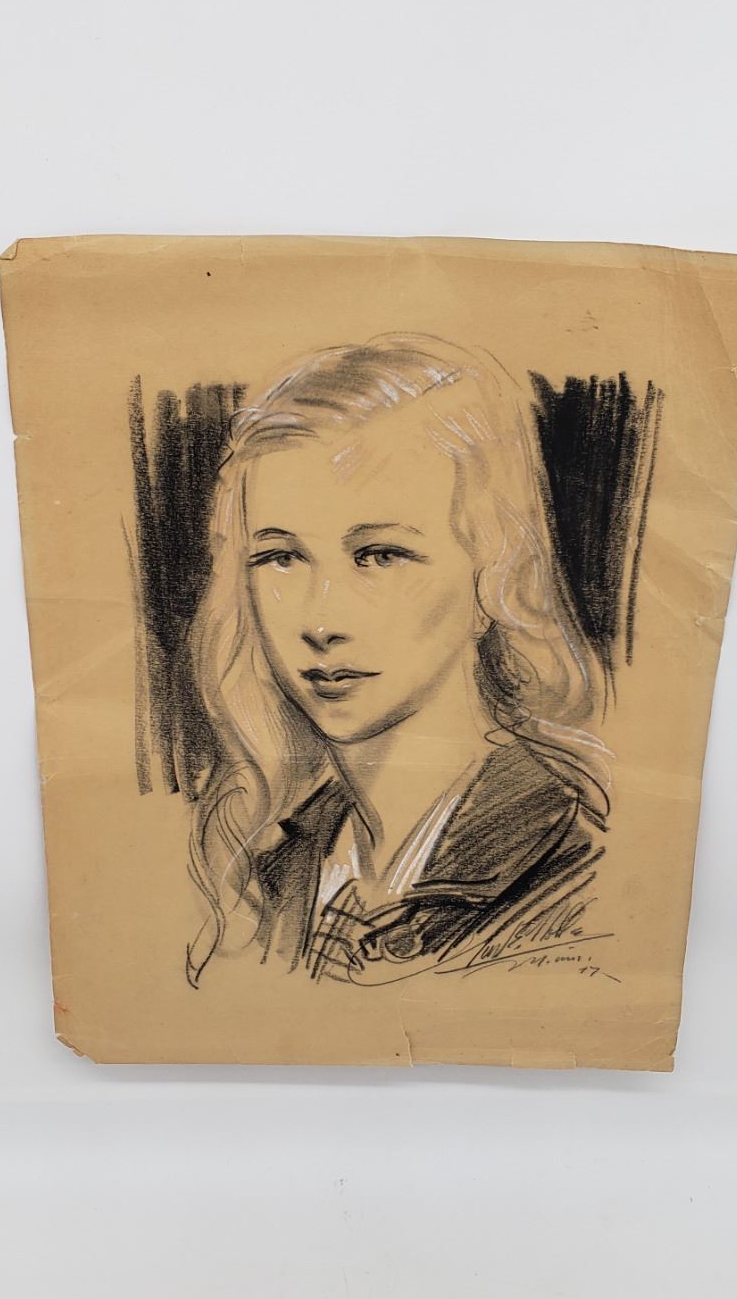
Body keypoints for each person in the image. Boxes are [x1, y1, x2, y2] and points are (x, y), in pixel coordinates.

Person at [185, 334, 609, 989]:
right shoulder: (277, 877)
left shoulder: (574, 875)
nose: (320, 622)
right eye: (280, 558)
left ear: (495, 575)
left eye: (380, 555)